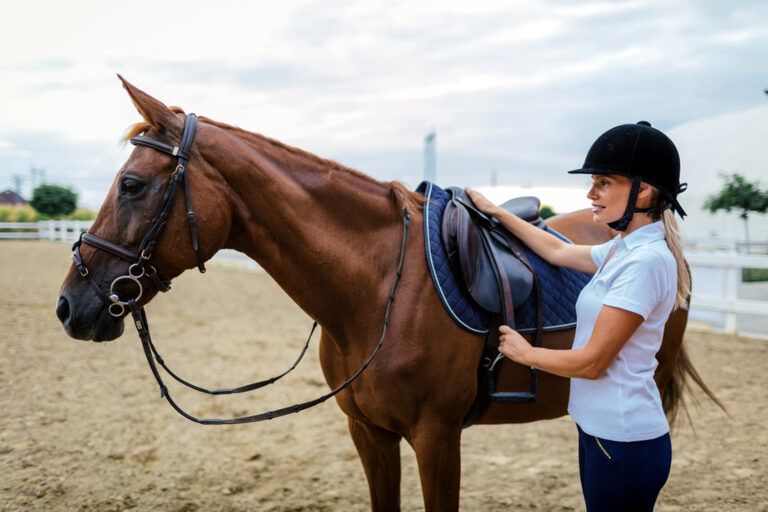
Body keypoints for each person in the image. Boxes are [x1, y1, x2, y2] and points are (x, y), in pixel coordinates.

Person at [466, 121, 690, 512]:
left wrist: (524, 352)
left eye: (604, 182)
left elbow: (591, 363)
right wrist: (495, 212)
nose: (590, 194)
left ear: (645, 190)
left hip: (623, 440)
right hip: (601, 433)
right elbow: (555, 251)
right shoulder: (622, 250)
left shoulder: (645, 262)